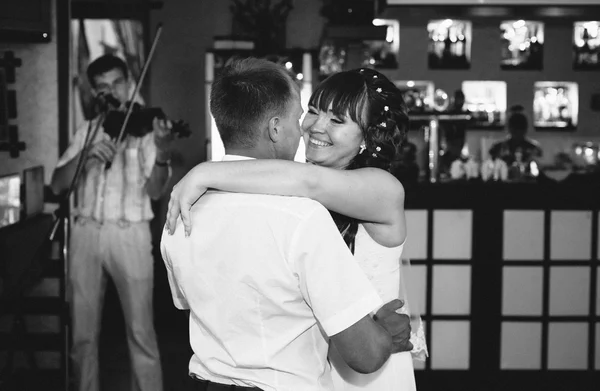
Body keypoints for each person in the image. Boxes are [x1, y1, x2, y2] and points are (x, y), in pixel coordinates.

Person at [165, 66, 428, 390]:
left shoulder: (382, 188)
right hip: (310, 367)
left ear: (367, 137)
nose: (316, 126)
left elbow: (310, 182)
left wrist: (205, 173)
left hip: (368, 370)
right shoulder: (287, 185)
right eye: (314, 111)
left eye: (337, 120)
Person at [51, 54, 170, 391]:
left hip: (128, 234)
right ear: (94, 92)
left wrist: (162, 151)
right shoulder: (87, 131)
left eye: (117, 83)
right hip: (86, 232)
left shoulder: (145, 129)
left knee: (141, 331)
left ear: (129, 83)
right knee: (82, 334)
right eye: (103, 87)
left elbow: (157, 190)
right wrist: (83, 157)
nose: (112, 92)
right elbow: (57, 185)